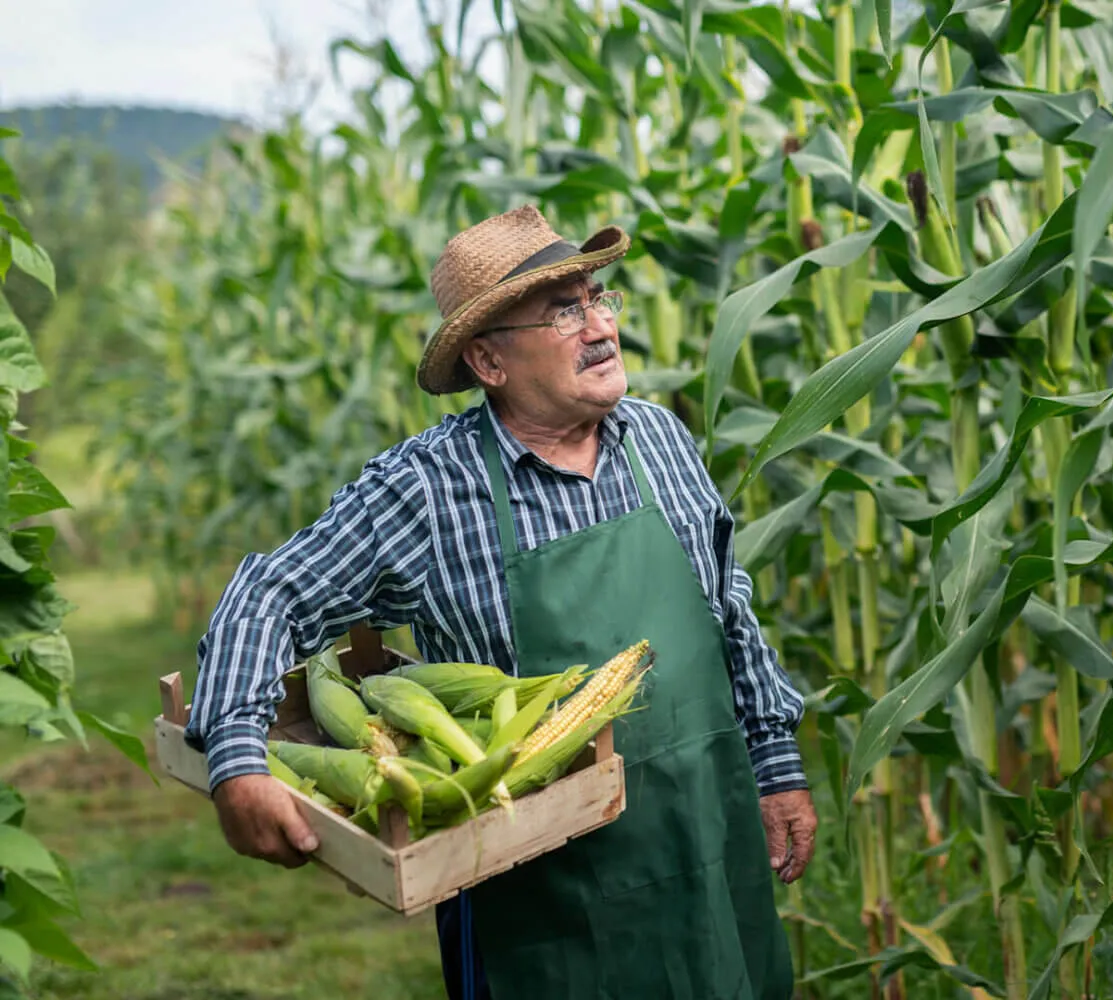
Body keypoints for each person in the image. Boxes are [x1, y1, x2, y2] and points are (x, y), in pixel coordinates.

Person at [184, 204, 816, 999]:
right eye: (563, 312)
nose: (600, 328)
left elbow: (729, 602)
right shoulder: (425, 490)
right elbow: (270, 592)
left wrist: (776, 764)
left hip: (709, 844)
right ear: (487, 360)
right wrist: (238, 761)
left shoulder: (660, 439)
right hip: (547, 900)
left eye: (598, 301)